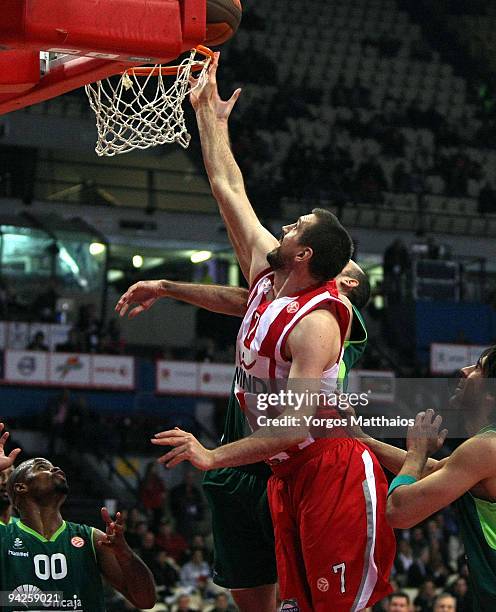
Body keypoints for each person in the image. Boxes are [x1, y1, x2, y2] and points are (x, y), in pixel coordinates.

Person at [147, 53, 394, 612]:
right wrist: (210, 117)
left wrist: (211, 455)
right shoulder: (271, 275)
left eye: (295, 227)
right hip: (285, 471)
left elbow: (291, 430)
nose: (282, 226)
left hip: (323, 462)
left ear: (304, 254)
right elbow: (227, 187)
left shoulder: (319, 321)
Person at [351, 346, 496, 611]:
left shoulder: (486, 449)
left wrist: (416, 453)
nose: (463, 371)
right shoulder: (483, 451)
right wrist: (362, 439)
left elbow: (398, 511)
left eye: (478, 368)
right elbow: (432, 472)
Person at [0, 422, 156, 611]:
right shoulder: (4, 536)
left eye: (54, 466)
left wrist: (125, 553)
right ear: (20, 487)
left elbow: (146, 601)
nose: (56, 469)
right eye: (42, 467)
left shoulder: (91, 538)